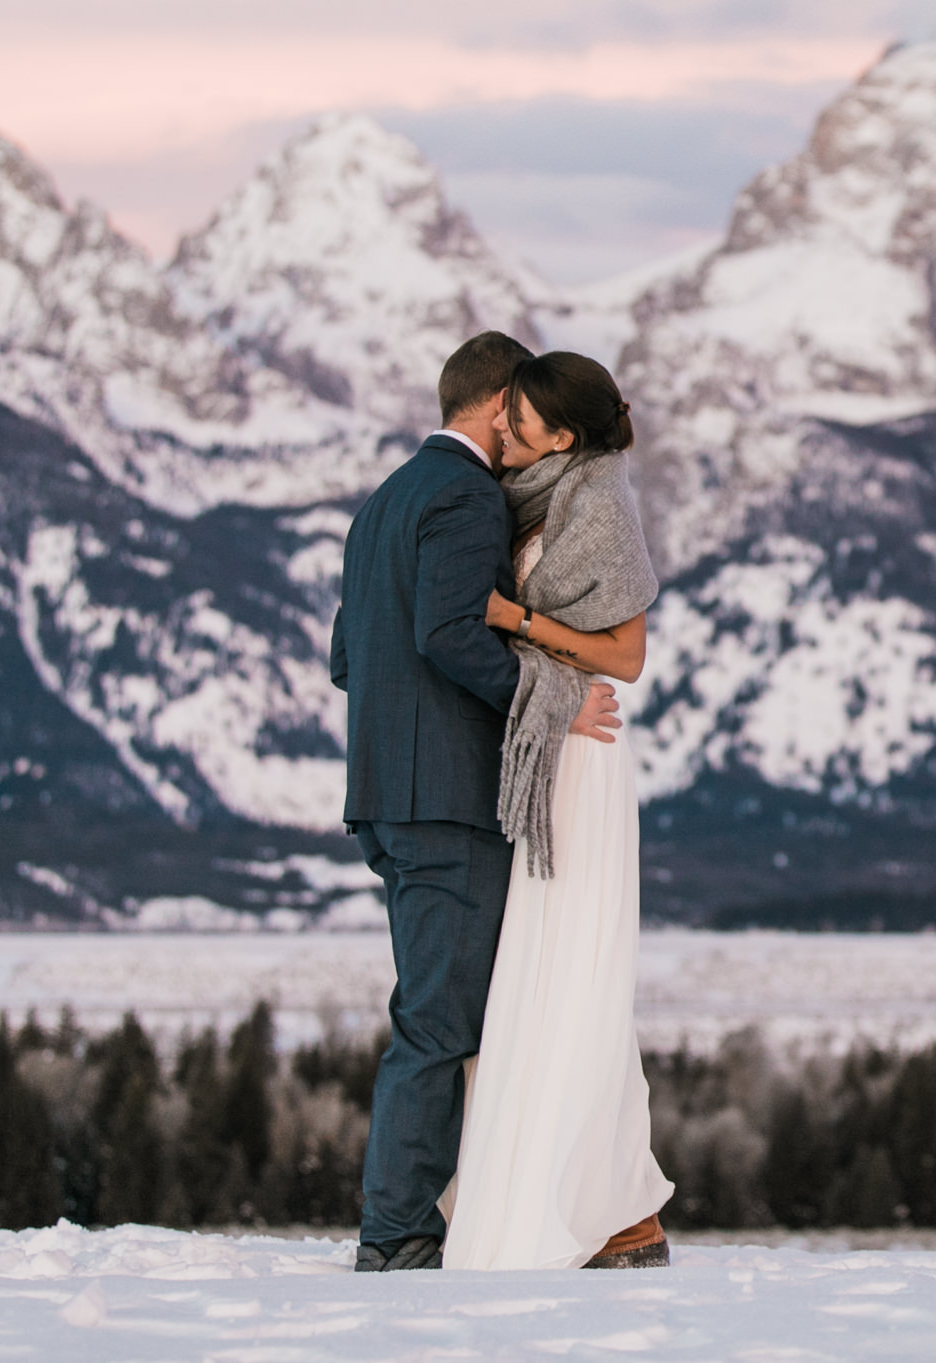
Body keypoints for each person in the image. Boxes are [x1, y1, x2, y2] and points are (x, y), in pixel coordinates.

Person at [332, 331, 622, 1274]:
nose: (529, 433)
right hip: (449, 799)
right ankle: (399, 1233)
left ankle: (440, 1214)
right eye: (525, 413)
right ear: (500, 407)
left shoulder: (381, 504)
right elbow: (452, 633)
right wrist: (559, 699)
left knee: (436, 1010)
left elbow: (349, 656)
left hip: (385, 792)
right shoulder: (462, 495)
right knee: (440, 1023)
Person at [442, 349, 675, 1270]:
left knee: (571, 962)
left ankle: (584, 1196)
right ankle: (602, 1198)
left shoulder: (600, 505)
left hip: (583, 749)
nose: (508, 428)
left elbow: (624, 657)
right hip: (546, 744)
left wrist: (516, 620)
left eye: (523, 419)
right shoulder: (539, 491)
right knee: (533, 964)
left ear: (563, 435)